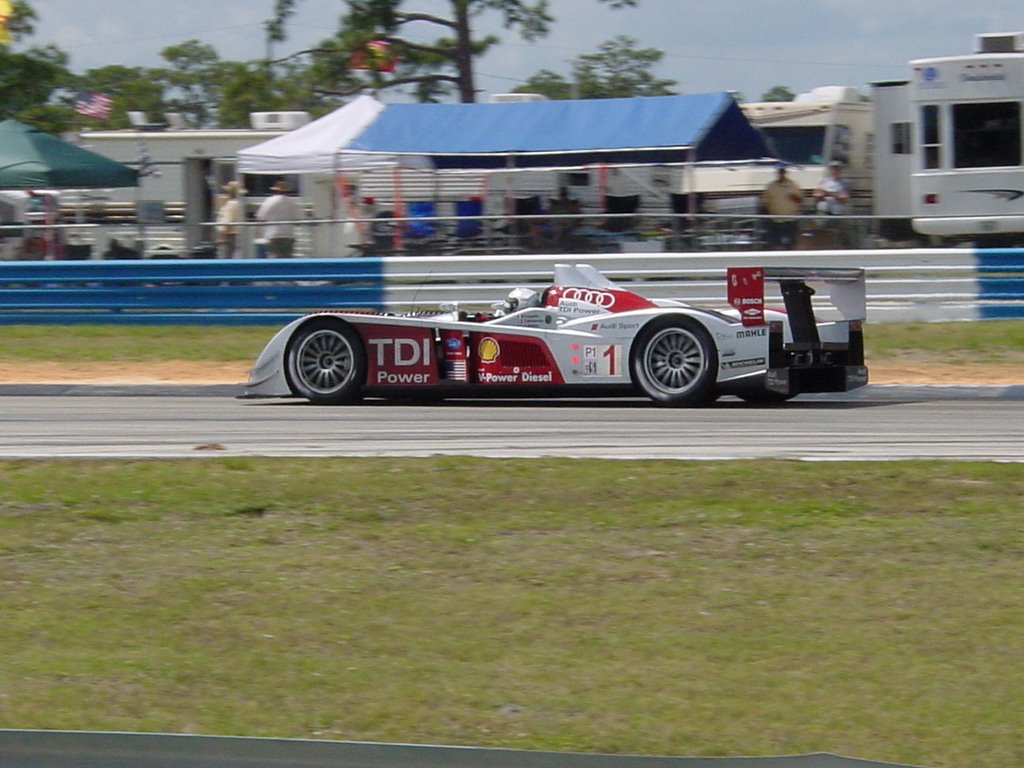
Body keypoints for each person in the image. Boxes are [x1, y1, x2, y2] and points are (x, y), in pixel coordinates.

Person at [255, 180, 302, 258]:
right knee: (287, 259)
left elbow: (260, 217)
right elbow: (298, 218)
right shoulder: (292, 202)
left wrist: (257, 233)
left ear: (275, 190)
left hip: (273, 234)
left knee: (273, 258)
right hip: (288, 234)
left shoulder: (269, 200)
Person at [761, 164, 803, 249]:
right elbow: (765, 202)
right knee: (776, 245)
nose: (781, 173)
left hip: (790, 220)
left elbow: (800, 200)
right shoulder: (771, 186)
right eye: (779, 172)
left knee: (790, 244)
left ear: (785, 173)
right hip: (775, 220)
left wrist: (794, 197)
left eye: (783, 172)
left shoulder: (793, 185)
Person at [215, 181, 246, 258]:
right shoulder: (238, 204)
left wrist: (221, 237)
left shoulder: (230, 204)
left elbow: (227, 221)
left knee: (226, 259)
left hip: (228, 236)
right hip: (236, 234)